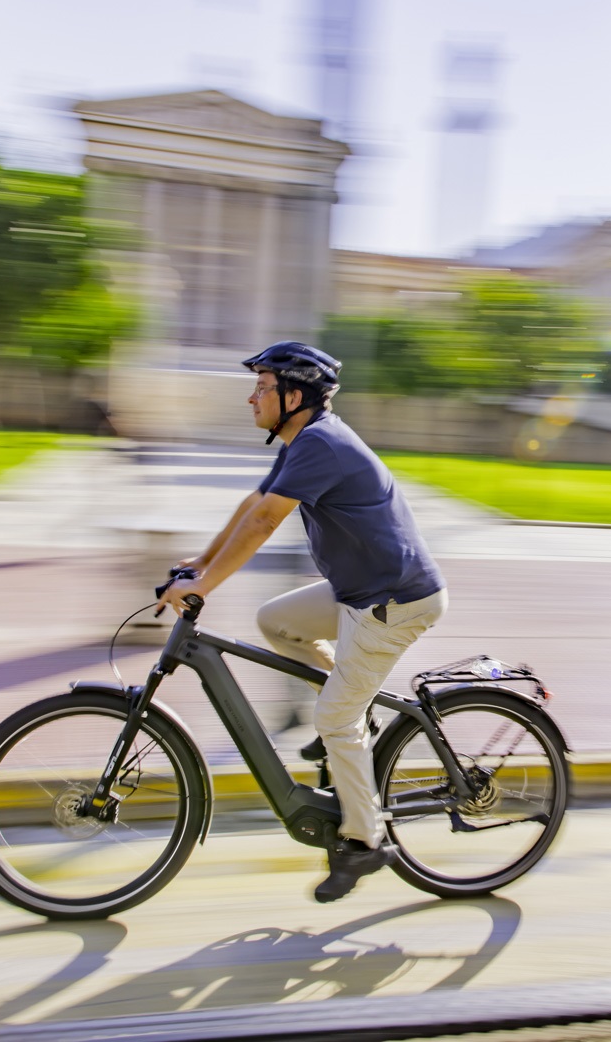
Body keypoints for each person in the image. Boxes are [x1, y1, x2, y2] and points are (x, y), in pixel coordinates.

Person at [157, 342, 447, 903]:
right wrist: (201, 564)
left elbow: (267, 520)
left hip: (395, 599)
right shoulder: (303, 440)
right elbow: (255, 502)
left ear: (296, 396)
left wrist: (203, 587)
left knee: (335, 716)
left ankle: (365, 843)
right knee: (277, 622)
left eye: (262, 388)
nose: (252, 397)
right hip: (360, 592)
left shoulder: (321, 443)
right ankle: (348, 707)